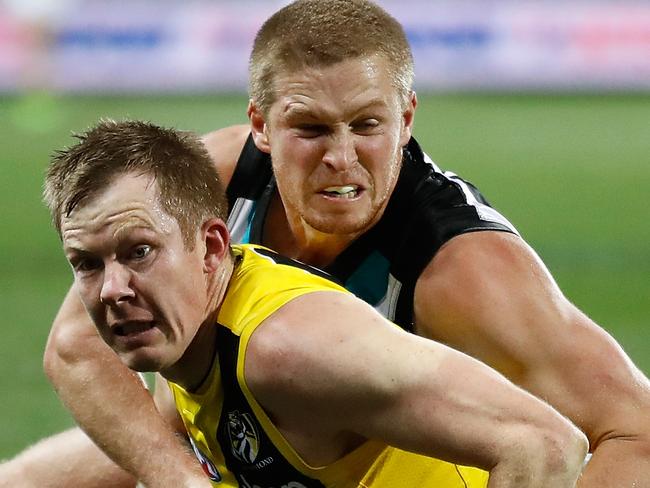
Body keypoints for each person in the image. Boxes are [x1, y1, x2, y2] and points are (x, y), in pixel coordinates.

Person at [2, 0, 649, 486]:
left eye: (367, 124)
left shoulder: (461, 269)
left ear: (406, 119)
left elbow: (634, 433)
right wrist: (181, 480)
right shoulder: (215, 179)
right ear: (260, 124)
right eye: (310, 128)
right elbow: (78, 349)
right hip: (234, 440)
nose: (342, 159)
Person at [43, 118, 587, 488]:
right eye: (87, 264)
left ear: (210, 247)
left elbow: (544, 443)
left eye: (139, 252)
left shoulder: (289, 348)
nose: (112, 289)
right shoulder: (187, 348)